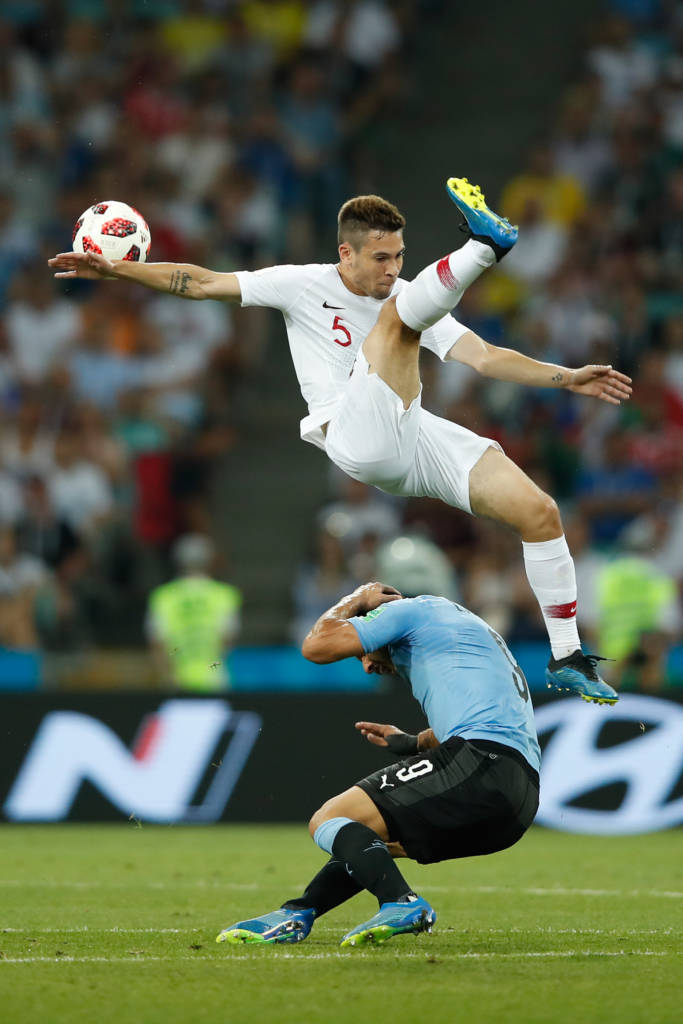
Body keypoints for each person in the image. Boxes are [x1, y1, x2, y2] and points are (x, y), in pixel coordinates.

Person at [48, 177, 632, 701]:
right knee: (398, 324)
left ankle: (566, 656)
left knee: (539, 512)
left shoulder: (409, 296)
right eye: (380, 257)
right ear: (345, 253)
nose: (391, 269)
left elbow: (483, 357)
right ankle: (483, 248)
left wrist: (566, 377)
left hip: (411, 431)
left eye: (399, 256)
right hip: (352, 433)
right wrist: (120, 271)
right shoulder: (301, 285)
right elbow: (201, 283)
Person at [215, 580, 541, 948]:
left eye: (363, 651)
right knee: (370, 839)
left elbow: (316, 647)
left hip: (482, 764)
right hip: (519, 799)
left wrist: (358, 597)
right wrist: (414, 742)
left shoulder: (408, 611)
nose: (368, 665)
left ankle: (401, 902)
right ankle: (299, 912)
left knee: (329, 818)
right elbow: (490, 719)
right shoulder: (460, 630)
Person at [145, 533, 242, 691]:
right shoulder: (224, 594)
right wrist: (211, 668)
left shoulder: (163, 596)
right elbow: (226, 643)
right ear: (210, 561)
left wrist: (169, 675)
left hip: (175, 681)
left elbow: (158, 644)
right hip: (214, 681)